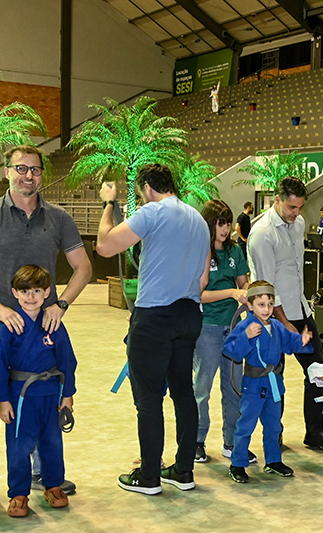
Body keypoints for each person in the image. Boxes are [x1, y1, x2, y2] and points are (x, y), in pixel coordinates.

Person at [0, 144, 92, 511]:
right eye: (21, 168)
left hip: (42, 328)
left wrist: (61, 304)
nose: (28, 175)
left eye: (35, 169)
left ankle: (44, 474)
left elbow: (84, 267)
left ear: (42, 174)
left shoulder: (58, 218)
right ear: (7, 172)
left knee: (42, 397)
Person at [96, 164, 210, 495]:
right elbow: (203, 279)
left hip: (155, 317)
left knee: (147, 399)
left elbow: (105, 245)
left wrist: (109, 203)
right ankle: (183, 471)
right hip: (189, 314)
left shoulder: (153, 212)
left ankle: (149, 476)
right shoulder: (198, 220)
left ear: (147, 188)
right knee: (183, 393)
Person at [0, 265, 76, 517]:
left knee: (52, 443)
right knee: (19, 446)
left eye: (36, 290)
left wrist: (67, 395)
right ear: (15, 293)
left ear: (47, 292)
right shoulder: (7, 328)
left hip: (51, 394)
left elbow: (67, 361)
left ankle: (53, 485)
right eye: (25, 291)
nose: (31, 296)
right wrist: (3, 401)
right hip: (20, 397)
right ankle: (19, 493)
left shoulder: (54, 324)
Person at [247, 177, 323, 450]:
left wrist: (301, 315)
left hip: (300, 309)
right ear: (277, 200)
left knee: (318, 372)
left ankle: (315, 432)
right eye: (292, 207)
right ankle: (274, 434)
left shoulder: (299, 224)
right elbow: (266, 288)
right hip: (272, 317)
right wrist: (285, 324)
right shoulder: (262, 234)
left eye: (300, 207)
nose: (297, 213)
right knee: (274, 378)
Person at [223, 281, 314, 483]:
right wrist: (246, 337)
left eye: (270, 304)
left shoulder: (277, 326)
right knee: (245, 425)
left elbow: (290, 343)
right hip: (254, 385)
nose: (266, 309)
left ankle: (273, 461)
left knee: (273, 425)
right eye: (261, 305)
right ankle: (238, 463)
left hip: (274, 384)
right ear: (250, 305)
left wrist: (302, 340)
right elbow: (230, 349)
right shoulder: (246, 326)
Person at [192, 200, 250, 464]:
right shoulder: (200, 251)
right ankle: (197, 441)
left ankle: (232, 442)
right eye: (220, 223)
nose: (225, 229)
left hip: (235, 328)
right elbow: (197, 294)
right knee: (202, 388)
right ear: (209, 224)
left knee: (234, 387)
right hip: (207, 328)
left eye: (228, 223)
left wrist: (247, 292)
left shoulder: (235, 250)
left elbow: (243, 283)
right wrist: (231, 292)